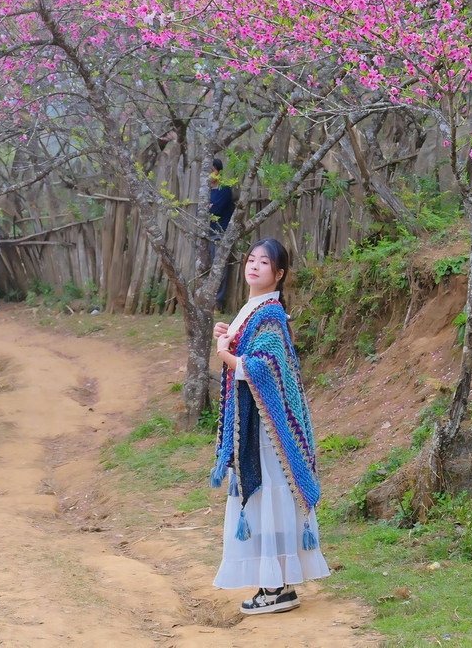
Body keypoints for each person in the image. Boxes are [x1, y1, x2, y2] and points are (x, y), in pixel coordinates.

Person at [210, 238, 328, 615]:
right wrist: (230, 338)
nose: (255, 265)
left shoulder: (270, 314)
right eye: (251, 259)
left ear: (278, 274)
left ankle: (276, 588)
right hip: (258, 424)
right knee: (265, 496)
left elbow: (259, 367)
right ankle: (276, 585)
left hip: (267, 430)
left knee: (268, 493)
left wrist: (227, 354)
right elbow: (252, 355)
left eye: (265, 262)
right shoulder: (253, 310)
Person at [208, 158, 236, 312]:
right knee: (210, 267)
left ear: (218, 171)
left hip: (221, 233)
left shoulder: (224, 189)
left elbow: (214, 210)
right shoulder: (206, 191)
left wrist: (210, 207)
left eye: (211, 170)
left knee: (220, 267)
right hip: (209, 234)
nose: (209, 175)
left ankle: (217, 303)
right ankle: (210, 301)